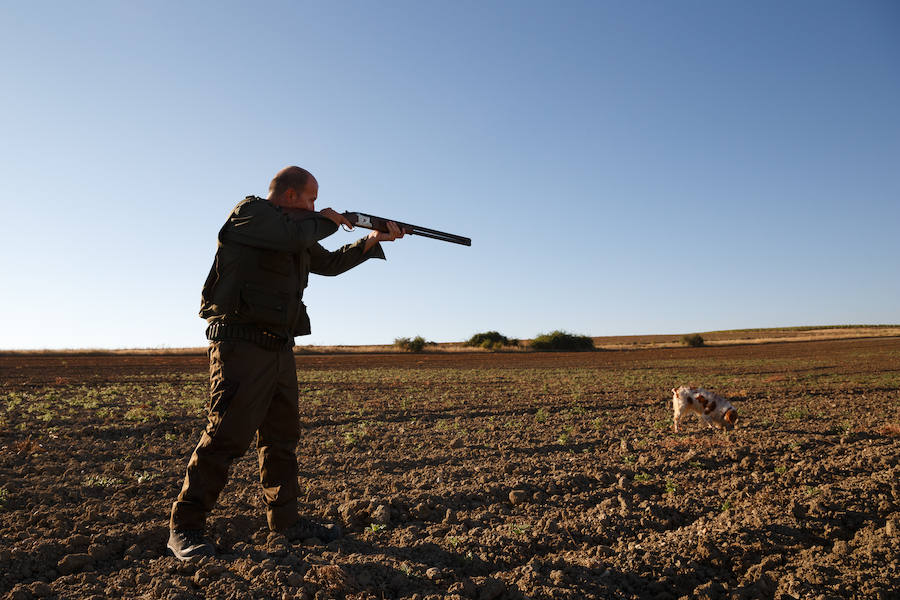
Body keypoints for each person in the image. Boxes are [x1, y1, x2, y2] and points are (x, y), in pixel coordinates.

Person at [168, 166, 404, 561]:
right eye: (311, 199)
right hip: (240, 344)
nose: (316, 206)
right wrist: (325, 220)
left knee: (281, 438)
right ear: (292, 196)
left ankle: (287, 523)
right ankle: (185, 528)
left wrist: (371, 239)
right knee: (226, 434)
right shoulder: (251, 214)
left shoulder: (298, 231)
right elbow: (294, 234)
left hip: (279, 346)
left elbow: (325, 264)